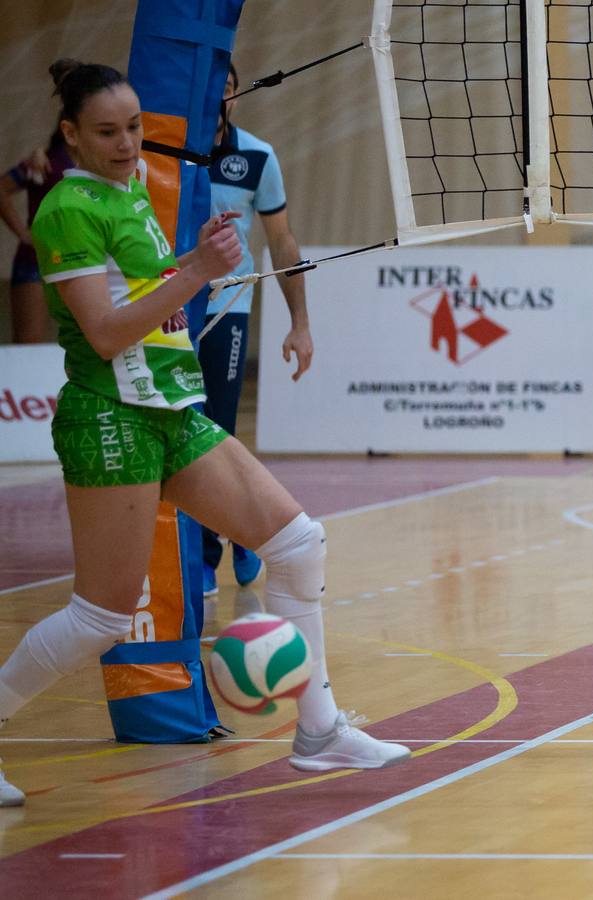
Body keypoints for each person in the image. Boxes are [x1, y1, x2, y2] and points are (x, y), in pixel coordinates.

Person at [0, 62, 406, 808]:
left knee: (297, 542)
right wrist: (195, 271)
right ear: (69, 136)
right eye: (106, 132)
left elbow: (157, 298)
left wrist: (195, 263)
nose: (126, 144)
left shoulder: (129, 192)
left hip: (169, 407)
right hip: (110, 417)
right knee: (100, 616)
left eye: (132, 129)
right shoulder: (67, 209)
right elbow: (103, 334)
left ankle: (316, 731)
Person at [198, 62, 314, 596]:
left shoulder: (257, 156)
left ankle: (235, 537)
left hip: (228, 308)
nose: (220, 99)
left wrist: (300, 324)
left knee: (218, 429)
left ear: (237, 95)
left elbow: (282, 242)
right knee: (182, 430)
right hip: (170, 305)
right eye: (210, 88)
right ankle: (202, 549)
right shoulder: (163, 152)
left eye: (226, 89)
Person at [0, 61, 76, 344]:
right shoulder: (46, 161)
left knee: (85, 350)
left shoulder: (101, 166)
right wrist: (22, 233)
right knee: (28, 347)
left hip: (83, 264)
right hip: (36, 263)